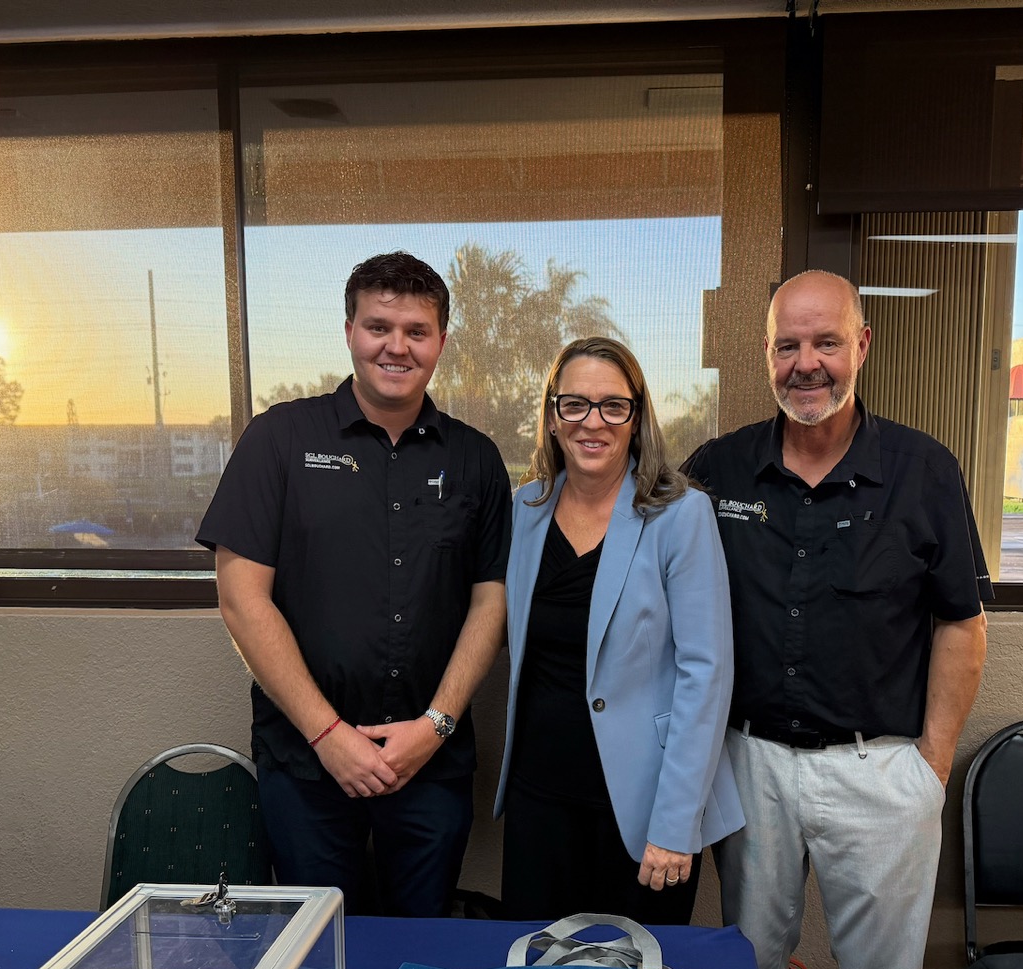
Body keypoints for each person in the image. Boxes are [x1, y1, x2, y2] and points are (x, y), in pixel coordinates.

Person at [683, 270, 991, 969]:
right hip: (750, 770)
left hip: (881, 769)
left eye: (826, 342)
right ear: (767, 355)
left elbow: (962, 626)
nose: (806, 363)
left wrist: (931, 767)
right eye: (789, 344)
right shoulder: (718, 470)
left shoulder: (924, 470)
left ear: (861, 346)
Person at [198, 252, 512, 917]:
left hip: (431, 765)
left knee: (418, 953)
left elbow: (491, 601)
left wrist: (436, 725)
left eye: (416, 331)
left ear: (441, 342)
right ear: (349, 332)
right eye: (378, 326)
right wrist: (329, 735)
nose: (396, 345)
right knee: (319, 959)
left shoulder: (476, 459)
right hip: (308, 764)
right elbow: (240, 596)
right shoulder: (280, 439)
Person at [494, 337, 742, 925]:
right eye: (574, 404)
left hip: (643, 808)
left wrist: (676, 824)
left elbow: (706, 674)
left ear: (637, 418)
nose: (592, 422)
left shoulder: (680, 514)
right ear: (553, 417)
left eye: (613, 405)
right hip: (540, 800)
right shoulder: (523, 509)